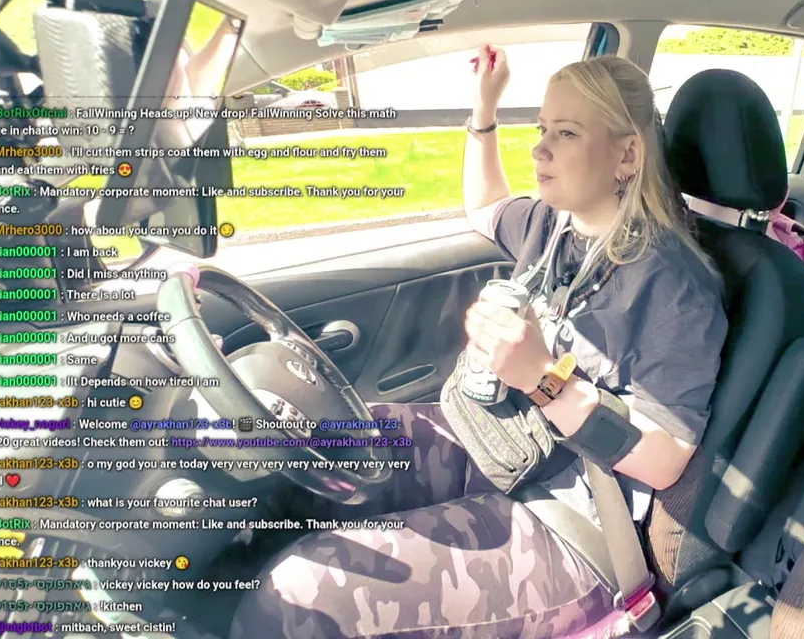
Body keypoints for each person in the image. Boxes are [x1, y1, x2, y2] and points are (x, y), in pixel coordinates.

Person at [232, 45, 728, 638]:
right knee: (315, 451)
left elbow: (666, 459)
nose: (539, 149)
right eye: (541, 129)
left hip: (577, 517)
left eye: (566, 133)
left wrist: (542, 378)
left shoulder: (675, 285)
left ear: (627, 154)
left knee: (298, 595)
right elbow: (486, 204)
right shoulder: (552, 226)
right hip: (497, 439)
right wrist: (485, 108)